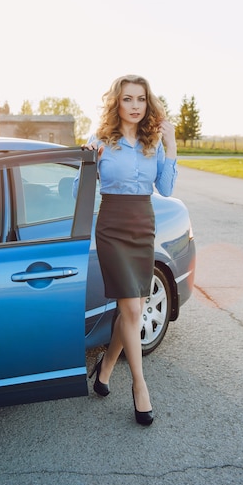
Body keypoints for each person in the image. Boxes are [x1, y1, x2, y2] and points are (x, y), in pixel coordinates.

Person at [77, 74, 177, 426]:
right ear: (116, 103)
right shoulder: (100, 140)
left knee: (130, 306)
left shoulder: (153, 143)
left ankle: (105, 368)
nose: (135, 106)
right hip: (113, 225)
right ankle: (140, 386)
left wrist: (172, 144)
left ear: (148, 104)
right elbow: (81, 188)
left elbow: (164, 188)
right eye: (127, 99)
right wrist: (86, 161)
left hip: (143, 224)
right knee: (133, 305)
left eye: (141, 99)